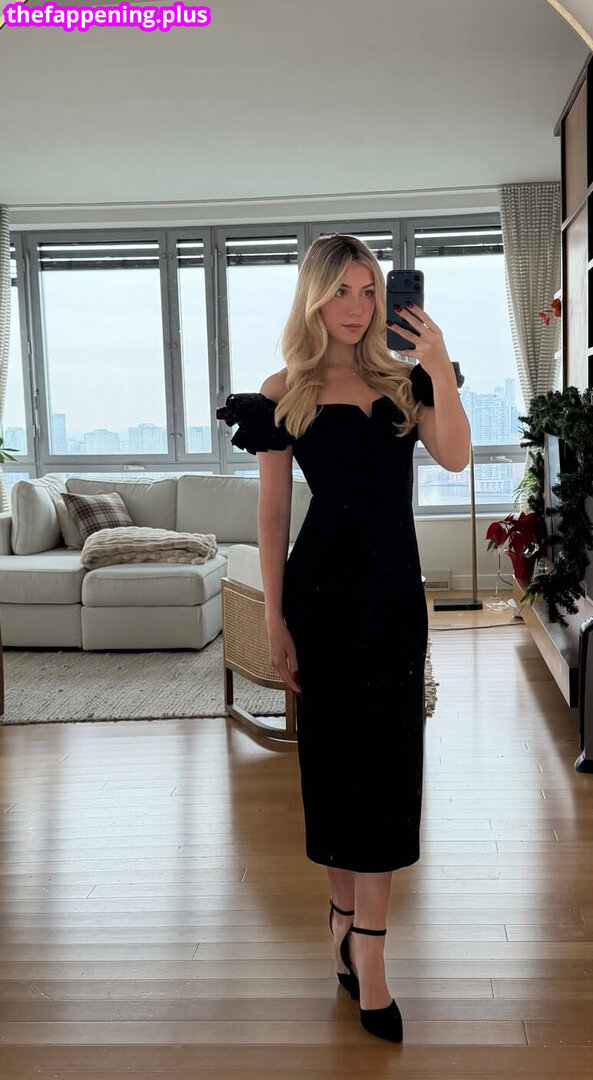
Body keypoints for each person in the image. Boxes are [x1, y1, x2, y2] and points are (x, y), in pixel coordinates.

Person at [216, 234, 470, 1042]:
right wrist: (274, 618)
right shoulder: (281, 391)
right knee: (332, 767)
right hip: (319, 600)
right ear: (314, 298)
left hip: (392, 598)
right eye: (341, 292)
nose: (356, 308)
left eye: (368, 292)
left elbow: (456, 457)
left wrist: (438, 365)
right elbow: (271, 515)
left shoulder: (404, 382)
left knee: (390, 770)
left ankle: (369, 949)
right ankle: (342, 921)